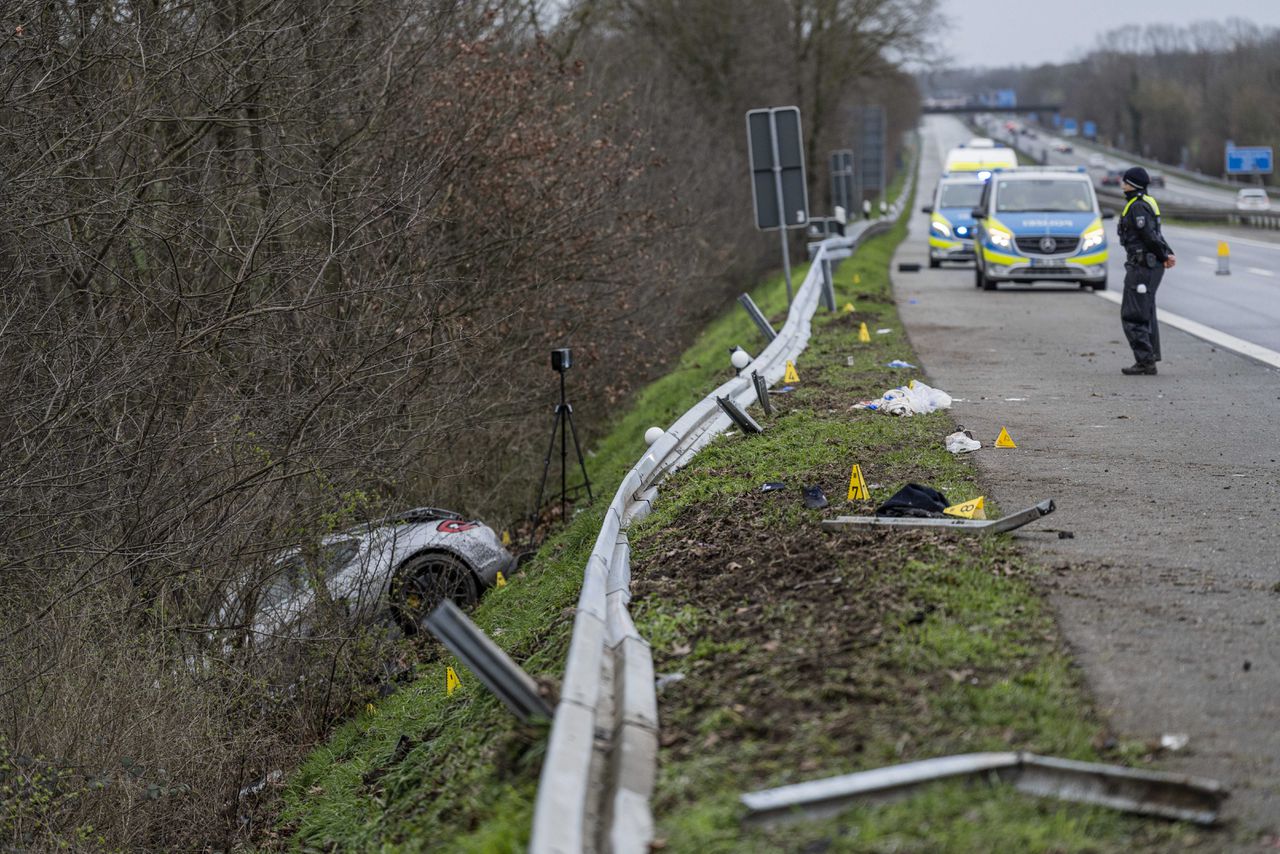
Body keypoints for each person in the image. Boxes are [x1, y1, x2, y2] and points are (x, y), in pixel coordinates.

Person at [1116, 166, 1175, 375]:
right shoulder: (1144, 202)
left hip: (1142, 265)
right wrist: (1167, 253)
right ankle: (1148, 359)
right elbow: (1155, 234)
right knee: (1145, 311)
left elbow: (1149, 236)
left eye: (1125, 181)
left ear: (1132, 184)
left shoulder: (1137, 207)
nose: (1122, 184)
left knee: (1133, 314)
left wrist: (1163, 255)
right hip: (1146, 264)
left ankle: (1145, 361)